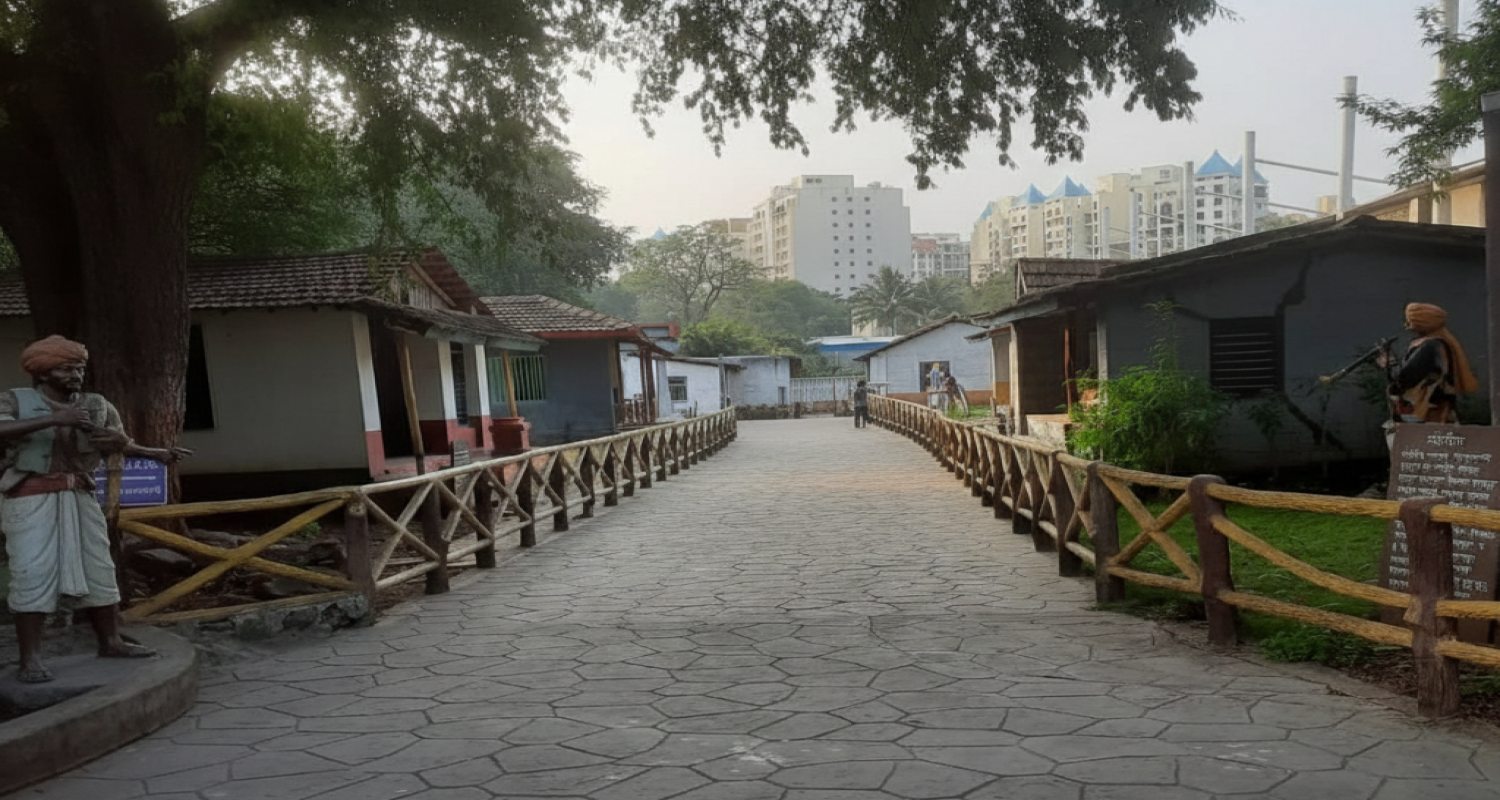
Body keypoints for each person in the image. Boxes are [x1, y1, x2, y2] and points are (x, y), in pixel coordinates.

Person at [1, 335, 191, 683]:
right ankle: (30, 658)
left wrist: (155, 453)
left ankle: (111, 641)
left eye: (79, 368)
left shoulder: (97, 404)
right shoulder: (14, 400)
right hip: (31, 498)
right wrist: (56, 420)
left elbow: (120, 441)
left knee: (99, 568)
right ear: (42, 373)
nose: (76, 375)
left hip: (80, 494)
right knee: (32, 571)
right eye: (66, 369)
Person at [1384, 302, 1479, 424]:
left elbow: (1405, 378)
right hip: (1432, 413)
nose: (1406, 325)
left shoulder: (1430, 347)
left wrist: (1389, 362)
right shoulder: (1438, 345)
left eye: (1409, 321)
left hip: (1426, 414)